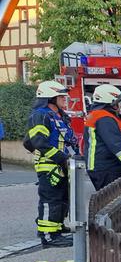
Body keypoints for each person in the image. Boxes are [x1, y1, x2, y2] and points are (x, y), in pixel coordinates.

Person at [23, 81, 78, 247]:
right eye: (61, 96)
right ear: (49, 97)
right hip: (50, 166)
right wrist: (62, 158)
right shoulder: (40, 115)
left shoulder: (59, 115)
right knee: (50, 200)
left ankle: (58, 228)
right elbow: (37, 141)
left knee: (62, 198)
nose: (64, 98)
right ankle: (48, 236)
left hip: (63, 164)